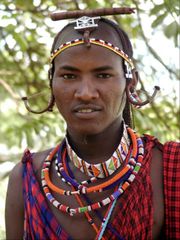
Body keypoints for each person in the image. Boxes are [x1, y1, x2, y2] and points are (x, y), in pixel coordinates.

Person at [5, 7, 180, 240]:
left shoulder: (169, 167)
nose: (85, 93)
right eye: (69, 76)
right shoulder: (27, 178)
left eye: (103, 75)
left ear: (131, 83)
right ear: (52, 84)